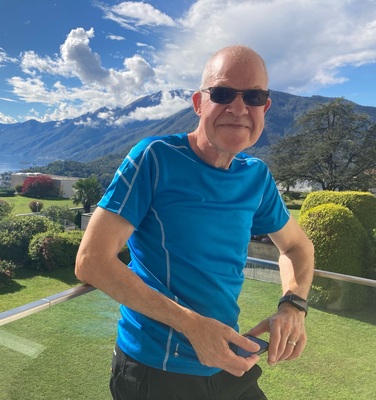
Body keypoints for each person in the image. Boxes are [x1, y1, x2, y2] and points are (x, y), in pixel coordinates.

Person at [75, 45, 314, 399]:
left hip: (226, 361)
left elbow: (296, 247)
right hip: (155, 372)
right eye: (222, 93)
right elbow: (91, 261)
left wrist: (293, 305)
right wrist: (191, 325)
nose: (238, 108)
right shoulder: (155, 158)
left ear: (264, 108)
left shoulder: (256, 176)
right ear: (199, 103)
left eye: (253, 96)